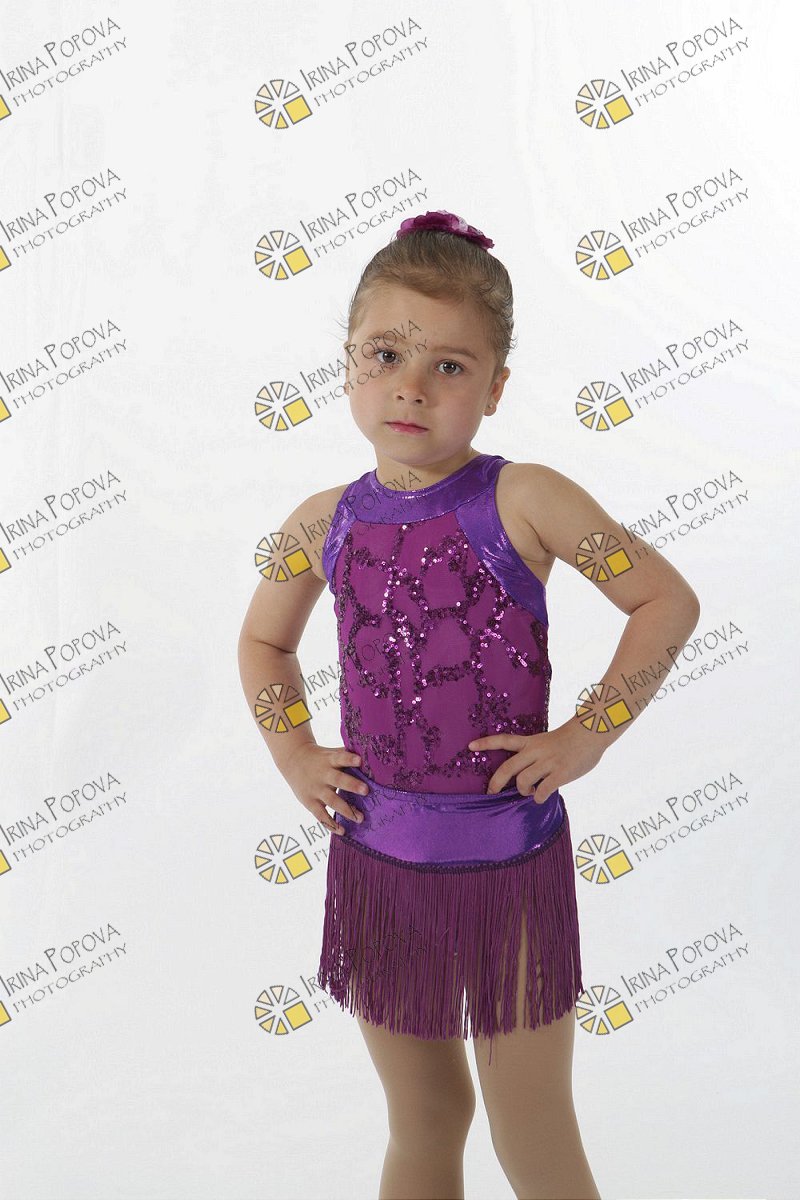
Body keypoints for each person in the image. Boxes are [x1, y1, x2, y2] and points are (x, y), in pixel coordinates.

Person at [237, 209, 701, 1200]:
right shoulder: (318, 523)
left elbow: (664, 600)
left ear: (494, 388)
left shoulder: (524, 498)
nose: (411, 384)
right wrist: (293, 753)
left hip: (507, 863)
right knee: (425, 1118)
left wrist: (587, 735)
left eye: (448, 366)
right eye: (386, 354)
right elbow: (263, 644)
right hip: (377, 861)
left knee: (530, 1127)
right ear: (347, 365)